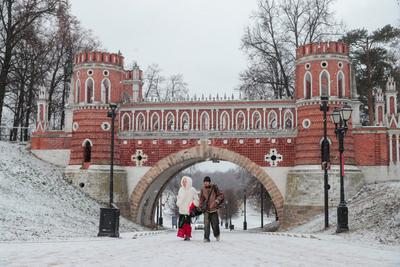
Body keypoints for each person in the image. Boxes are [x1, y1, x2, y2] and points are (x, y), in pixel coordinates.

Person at [199, 176, 224, 242]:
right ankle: (206, 238)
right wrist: (201, 206)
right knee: (206, 225)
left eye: (207, 182)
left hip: (214, 209)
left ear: (209, 182)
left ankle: (217, 235)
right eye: (205, 182)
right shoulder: (202, 189)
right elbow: (201, 199)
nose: (206, 183)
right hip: (206, 209)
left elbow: (221, 195)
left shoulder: (214, 187)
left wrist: (217, 201)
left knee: (215, 224)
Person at [176, 176, 199, 241]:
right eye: (183, 181)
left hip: (188, 210)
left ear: (188, 182)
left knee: (187, 223)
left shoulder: (192, 190)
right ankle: (183, 234)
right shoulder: (181, 189)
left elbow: (197, 199)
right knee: (181, 223)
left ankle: (187, 235)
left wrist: (193, 204)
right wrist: (178, 203)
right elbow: (178, 198)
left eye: (185, 181)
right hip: (181, 209)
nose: (184, 183)